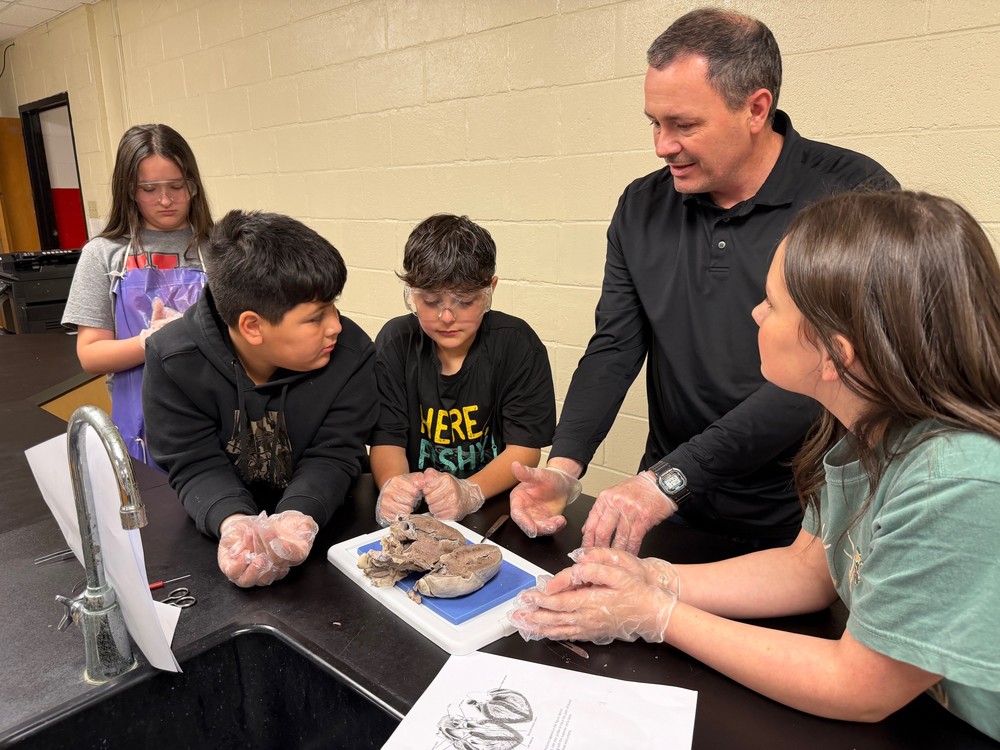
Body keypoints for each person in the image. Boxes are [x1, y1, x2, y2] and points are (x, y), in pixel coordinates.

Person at [511, 190, 1000, 741]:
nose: (754, 312)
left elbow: (861, 686)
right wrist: (654, 577)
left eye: (770, 303)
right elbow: (808, 570)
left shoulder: (959, 477)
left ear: (835, 355)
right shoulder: (862, 428)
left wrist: (655, 615)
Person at [509, 8, 899, 554]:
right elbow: (614, 346)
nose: (662, 145)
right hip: (669, 505)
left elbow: (832, 374)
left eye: (684, 125)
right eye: (654, 122)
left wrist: (671, 478)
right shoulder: (641, 206)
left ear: (756, 108)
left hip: (802, 517)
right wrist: (565, 468)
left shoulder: (854, 198)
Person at [142, 210, 378, 587]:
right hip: (213, 533)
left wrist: (296, 519)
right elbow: (194, 464)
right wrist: (233, 523)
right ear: (252, 325)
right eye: (316, 317)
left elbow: (335, 453)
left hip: (330, 528)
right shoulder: (173, 361)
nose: (335, 325)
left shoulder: (350, 354)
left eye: (334, 306)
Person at [369, 214, 556, 525]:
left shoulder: (515, 344)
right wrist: (395, 486)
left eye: (465, 302)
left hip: (492, 505)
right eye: (430, 301)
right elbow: (387, 438)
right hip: (416, 508)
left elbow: (524, 449)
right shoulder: (396, 342)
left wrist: (471, 491)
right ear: (412, 293)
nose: (446, 317)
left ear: (490, 291)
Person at [61, 124, 212, 466]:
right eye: (149, 189)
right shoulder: (104, 255)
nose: (165, 200)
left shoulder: (219, 248)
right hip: (143, 428)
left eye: (177, 186)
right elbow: (90, 355)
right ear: (129, 190)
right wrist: (150, 341)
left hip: (215, 422)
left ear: (194, 186)